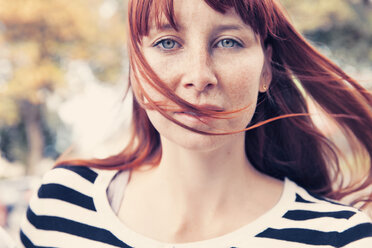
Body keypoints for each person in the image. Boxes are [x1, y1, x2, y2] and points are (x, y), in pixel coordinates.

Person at [20, 0, 372, 247]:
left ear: (265, 69)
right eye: (168, 42)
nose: (199, 76)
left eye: (229, 42)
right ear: (137, 68)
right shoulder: (61, 206)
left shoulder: (341, 238)